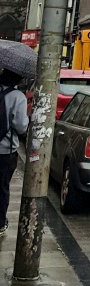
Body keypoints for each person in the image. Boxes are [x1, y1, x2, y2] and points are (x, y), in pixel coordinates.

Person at [0, 69, 29, 237]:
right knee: (2, 187)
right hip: (5, 150)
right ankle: (0, 223)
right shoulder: (18, 97)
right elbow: (21, 126)